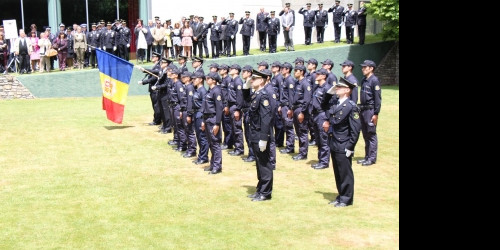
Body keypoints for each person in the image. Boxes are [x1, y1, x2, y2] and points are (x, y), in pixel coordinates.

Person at [323, 77, 361, 207]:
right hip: (334, 142)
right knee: (338, 172)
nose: (337, 89)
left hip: (344, 144)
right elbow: (323, 104)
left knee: (345, 173)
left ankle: (347, 199)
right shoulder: (336, 102)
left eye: (339, 87)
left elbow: (355, 130)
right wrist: (330, 92)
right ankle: (341, 196)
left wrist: (350, 147)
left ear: (346, 90)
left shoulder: (351, 107)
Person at [243, 69, 274, 201]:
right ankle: (260, 188)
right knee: (259, 163)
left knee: (264, 164)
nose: (252, 80)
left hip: (261, 134)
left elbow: (266, 119)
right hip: (254, 132)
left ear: (261, 80)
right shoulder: (256, 94)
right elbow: (245, 100)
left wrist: (263, 138)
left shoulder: (264, 95)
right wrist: (246, 86)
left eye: (254, 79)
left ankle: (266, 192)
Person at [357, 60, 381, 166]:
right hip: (363, 109)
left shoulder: (374, 80)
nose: (363, 69)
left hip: (370, 111)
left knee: (371, 134)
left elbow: (377, 99)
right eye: (362, 67)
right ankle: (367, 156)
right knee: (365, 134)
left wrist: (376, 113)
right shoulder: (364, 80)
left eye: (365, 67)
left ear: (371, 68)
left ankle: (371, 158)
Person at [201, 72, 224, 174]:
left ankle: (217, 166)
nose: (207, 79)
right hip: (207, 119)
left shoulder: (217, 91)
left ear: (214, 80)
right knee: (211, 143)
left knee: (215, 143)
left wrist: (217, 124)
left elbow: (219, 109)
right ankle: (213, 164)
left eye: (209, 78)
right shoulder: (210, 90)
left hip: (213, 119)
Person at [310, 69, 332, 169]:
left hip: (322, 115)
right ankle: (320, 159)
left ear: (324, 76)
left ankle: (324, 162)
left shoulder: (327, 88)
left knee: (324, 139)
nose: (316, 75)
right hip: (316, 115)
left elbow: (330, 106)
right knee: (318, 139)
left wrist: (327, 120)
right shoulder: (318, 87)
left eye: (318, 74)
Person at [290, 64, 312, 161]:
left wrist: (302, 112)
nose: (294, 72)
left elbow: (307, 100)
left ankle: (303, 154)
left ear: (302, 72)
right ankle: (301, 151)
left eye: (296, 71)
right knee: (298, 131)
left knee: (302, 132)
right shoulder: (297, 83)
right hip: (295, 108)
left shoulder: (305, 84)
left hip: (301, 109)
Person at [138, 52, 162, 126]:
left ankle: (157, 120)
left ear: (157, 58)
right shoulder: (155, 66)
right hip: (152, 89)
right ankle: (157, 119)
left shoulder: (158, 66)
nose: (152, 58)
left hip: (155, 89)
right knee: (155, 105)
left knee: (156, 105)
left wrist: (143, 82)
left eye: (154, 57)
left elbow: (153, 78)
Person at [191, 72, 209, 165]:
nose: (193, 80)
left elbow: (204, 106)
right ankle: (201, 155)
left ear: (201, 80)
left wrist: (203, 120)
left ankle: (204, 157)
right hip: (196, 113)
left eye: (195, 79)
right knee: (199, 136)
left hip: (200, 114)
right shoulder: (197, 90)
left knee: (203, 137)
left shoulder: (202, 91)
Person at [227, 64, 245, 156]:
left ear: (237, 71)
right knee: (233, 128)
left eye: (232, 68)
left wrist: (238, 109)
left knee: (237, 128)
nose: (230, 70)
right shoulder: (232, 80)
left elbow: (239, 97)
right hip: (231, 105)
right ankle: (236, 146)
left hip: (235, 106)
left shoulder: (238, 81)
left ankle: (239, 148)